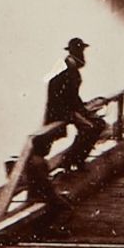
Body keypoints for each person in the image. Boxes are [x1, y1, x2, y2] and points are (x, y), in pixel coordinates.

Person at [24, 37, 105, 211]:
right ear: (74, 53)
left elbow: (73, 95)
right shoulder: (67, 69)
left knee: (95, 125)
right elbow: (64, 96)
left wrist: (83, 108)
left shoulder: (70, 68)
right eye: (80, 51)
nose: (83, 55)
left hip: (67, 109)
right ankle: (71, 160)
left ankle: (74, 159)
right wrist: (78, 112)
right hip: (62, 111)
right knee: (90, 127)